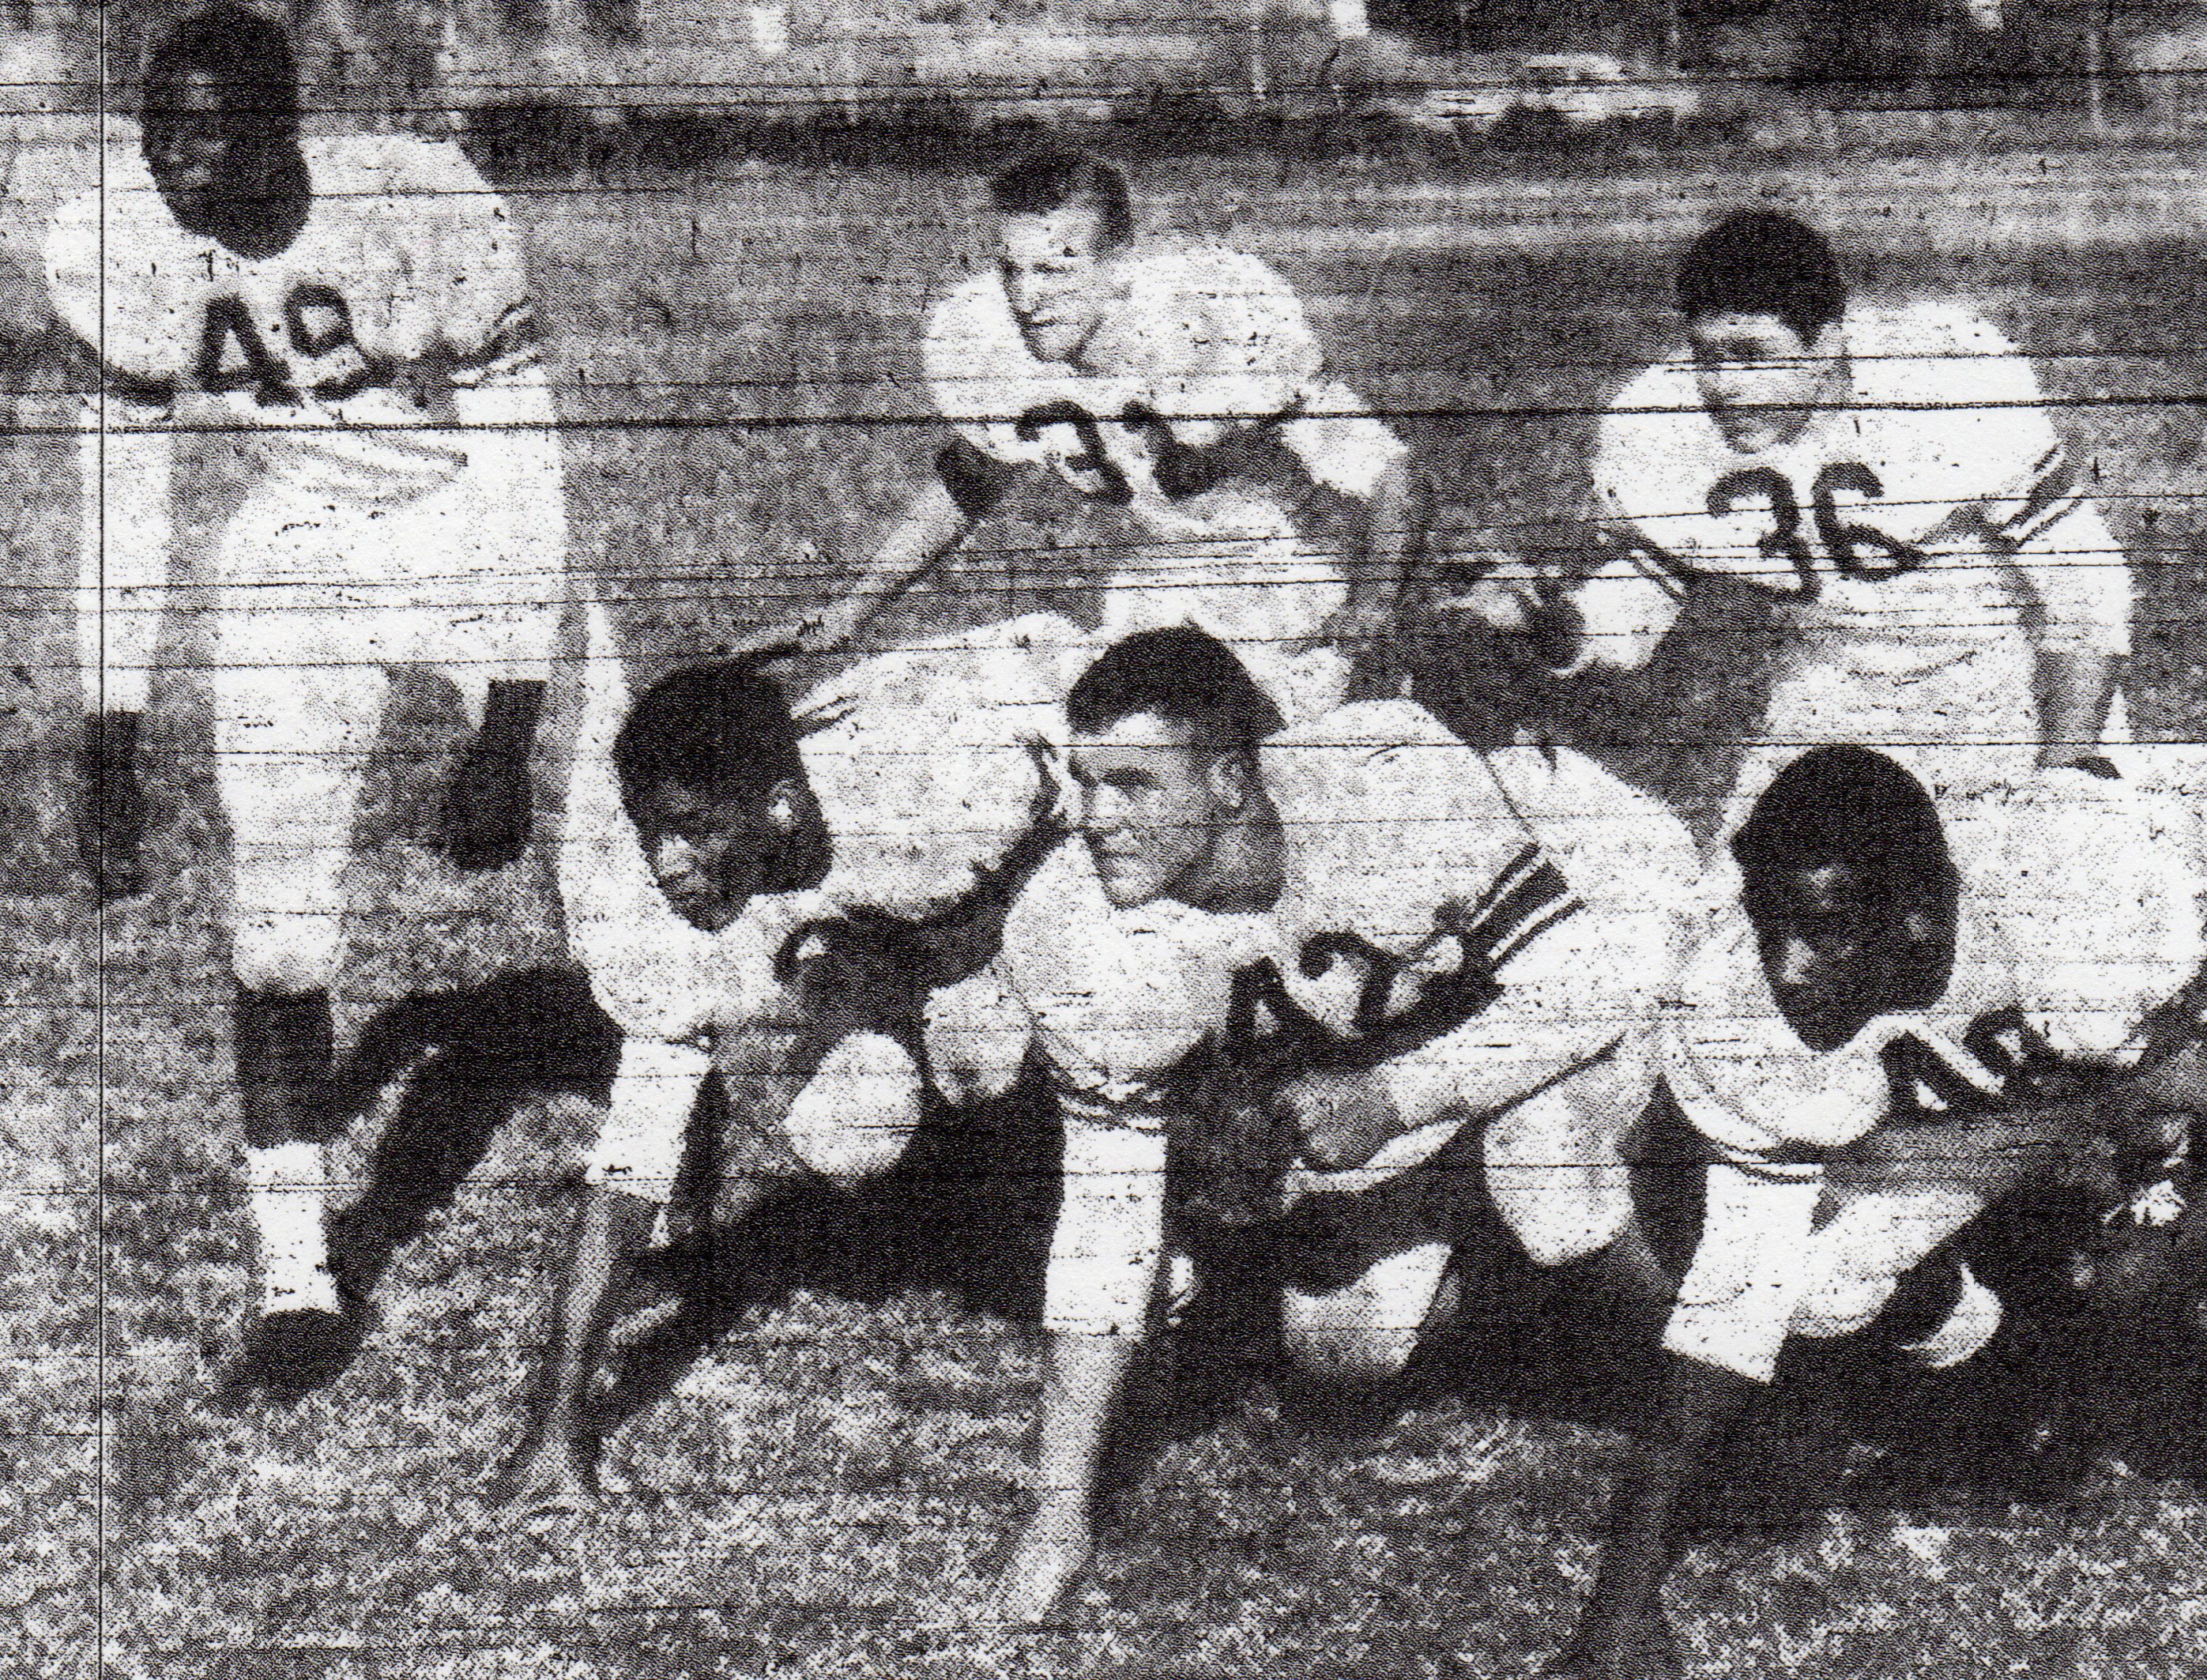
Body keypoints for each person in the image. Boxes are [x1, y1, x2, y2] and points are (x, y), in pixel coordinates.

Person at [1554, 745, 2207, 1680]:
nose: (1791, 966)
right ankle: (2007, 1389)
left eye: (1830, 930)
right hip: (2087, 1029)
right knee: (1823, 1281)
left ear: (1921, 916)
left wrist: (2190, 1238)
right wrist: (1619, 1598)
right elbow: (1731, 1300)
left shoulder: (2073, 900)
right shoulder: (1744, 998)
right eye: (1775, 922)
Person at [45, 2, 569, 1394]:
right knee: (277, 919)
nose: (172, 156)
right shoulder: (121, 242)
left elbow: (522, 456)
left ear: (285, 130)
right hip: (300, 537)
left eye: (207, 127)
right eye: (157, 124)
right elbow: (125, 498)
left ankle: (665, 1099)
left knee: (616, 839)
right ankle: (296, 1272)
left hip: (460, 517)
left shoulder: (417, 200)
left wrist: (507, 719)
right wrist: (112, 742)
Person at [976, 626, 1696, 1623]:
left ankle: (1719, 1373)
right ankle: (1482, 1231)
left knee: (1546, 1171)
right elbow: (1104, 1220)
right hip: (1437, 1016)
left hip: (1612, 906)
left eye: (1134, 784)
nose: (1097, 819)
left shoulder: (1384, 786)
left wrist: (1397, 1099)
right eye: (1085, 782)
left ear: (1229, 783)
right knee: (1347, 1354)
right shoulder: (1069, 926)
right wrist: (1058, 1516)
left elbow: (1589, 978)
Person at [495, 613, 1075, 1510]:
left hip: (1046, 787)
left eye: (690, 830)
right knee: (846, 1129)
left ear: (778, 806)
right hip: (896, 915)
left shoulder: (950, 789)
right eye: (653, 831)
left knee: (990, 1057)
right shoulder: (698, 894)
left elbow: (1111, 794)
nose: (666, 863)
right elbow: (629, 1166)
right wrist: (558, 1422)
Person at [1463, 207, 2131, 820]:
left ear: (1829, 344)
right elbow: (1647, 592)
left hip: (1998, 685)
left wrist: (2065, 764)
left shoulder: (1944, 385)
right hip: (1825, 688)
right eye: (1707, 358)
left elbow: (2085, 584)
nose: (1722, 386)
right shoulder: (1660, 424)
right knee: (1747, 906)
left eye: (1753, 356)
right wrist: (1553, 623)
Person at [763, 148, 1418, 729]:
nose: (1027, 299)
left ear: (1121, 266)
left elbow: (1394, 473)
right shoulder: (1009, 350)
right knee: (951, 690)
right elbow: (970, 483)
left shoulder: (1201, 321)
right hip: (1168, 592)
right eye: (1014, 271)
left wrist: (1372, 604)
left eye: (1056, 271)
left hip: (1301, 595)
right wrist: (852, 611)